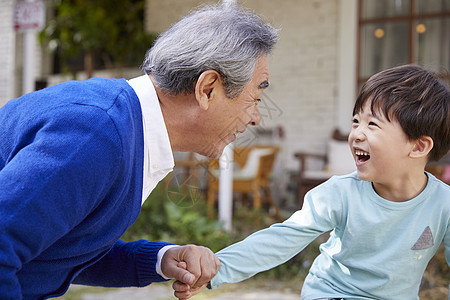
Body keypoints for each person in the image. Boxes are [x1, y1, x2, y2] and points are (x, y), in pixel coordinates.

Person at [0, 3, 278, 299]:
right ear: (207, 88)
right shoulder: (97, 135)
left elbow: (58, 249)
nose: (255, 118)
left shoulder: (124, 129)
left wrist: (162, 259)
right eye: (256, 97)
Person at [173, 64, 450, 300]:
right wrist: (218, 268)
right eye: (356, 121)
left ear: (418, 147)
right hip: (332, 293)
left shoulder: (443, 204)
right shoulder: (340, 193)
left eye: (373, 125)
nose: (356, 134)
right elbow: (282, 238)